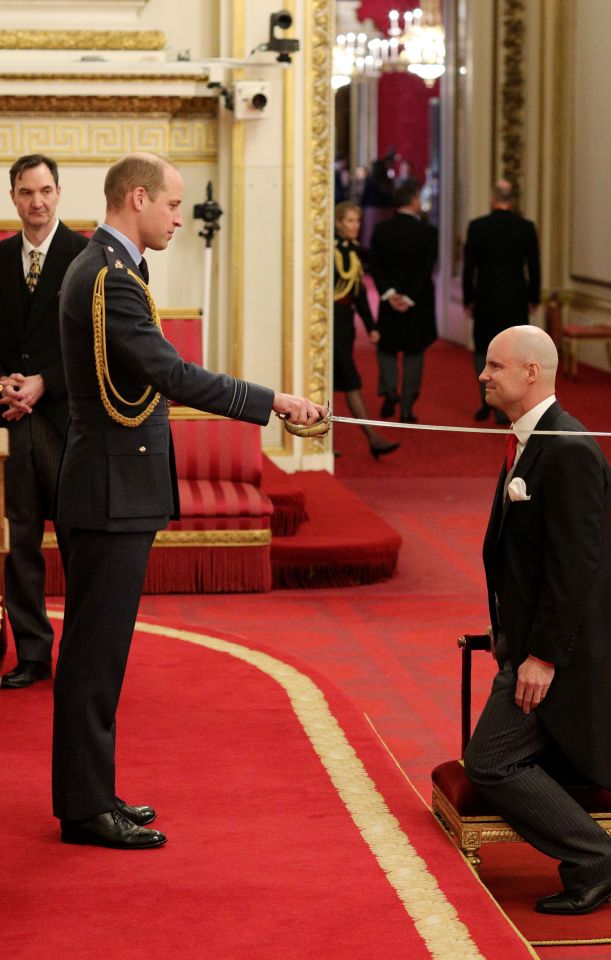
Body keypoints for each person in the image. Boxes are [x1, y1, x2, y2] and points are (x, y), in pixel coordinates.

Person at [51, 152, 327, 850]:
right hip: (110, 488)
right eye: (172, 204)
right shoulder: (107, 277)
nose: (179, 216)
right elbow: (167, 372)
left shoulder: (113, 268)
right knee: (94, 657)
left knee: (100, 657)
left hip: (114, 481)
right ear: (136, 198)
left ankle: (92, 792)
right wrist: (273, 403)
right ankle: (85, 810)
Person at [463, 324, 611, 915]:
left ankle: (599, 862)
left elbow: (575, 570)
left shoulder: (567, 451)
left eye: (494, 366)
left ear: (531, 374)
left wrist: (541, 656)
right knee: (567, 750)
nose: (482, 376)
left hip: (557, 653)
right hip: (527, 642)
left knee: (490, 762)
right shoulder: (531, 439)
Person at [0, 154, 88, 689]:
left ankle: (81, 654)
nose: (37, 202)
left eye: (46, 191)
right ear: (13, 196)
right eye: (26, 192)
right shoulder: (1, 258)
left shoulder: (85, 256)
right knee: (19, 543)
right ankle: (33, 654)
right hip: (9, 423)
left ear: (59, 193)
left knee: (79, 541)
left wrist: (44, 382)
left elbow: (93, 343)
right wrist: (4, 384)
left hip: (66, 420)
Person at [462, 179, 541, 424]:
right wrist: (534, 296)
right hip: (515, 298)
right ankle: (506, 405)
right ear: (512, 201)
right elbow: (534, 267)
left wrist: (468, 298)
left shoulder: (477, 227)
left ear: (492, 199)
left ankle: (487, 400)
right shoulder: (526, 228)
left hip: (485, 297)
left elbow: (469, 268)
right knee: (513, 354)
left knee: (483, 351)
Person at [368, 179, 438, 424]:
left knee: (386, 348)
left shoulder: (381, 229)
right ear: (413, 200)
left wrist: (389, 294)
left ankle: (389, 392)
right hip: (417, 303)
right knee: (414, 354)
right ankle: (407, 408)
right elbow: (426, 269)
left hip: (389, 302)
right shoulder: (428, 232)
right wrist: (408, 297)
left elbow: (374, 265)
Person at [333, 201, 398, 459]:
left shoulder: (356, 251)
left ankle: (325, 442)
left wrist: (371, 327)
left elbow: (358, 295)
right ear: (338, 223)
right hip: (331, 323)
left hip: (346, 323)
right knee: (349, 382)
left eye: (357, 221)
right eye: (349, 221)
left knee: (337, 384)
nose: (354, 226)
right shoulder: (329, 251)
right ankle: (372, 437)